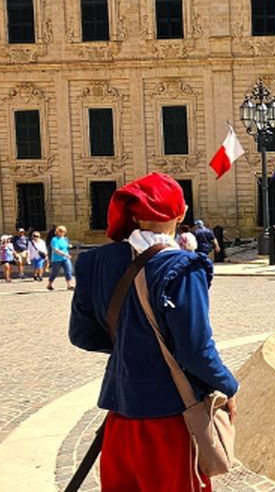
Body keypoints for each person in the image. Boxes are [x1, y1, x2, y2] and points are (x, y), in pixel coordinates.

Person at [69, 172, 238, 491]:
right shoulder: (183, 268)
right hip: (170, 420)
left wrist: (133, 345)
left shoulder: (96, 262)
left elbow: (82, 335)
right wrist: (229, 386)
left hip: (120, 417)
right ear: (181, 213)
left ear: (133, 214)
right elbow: (195, 350)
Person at [47, 225, 74, 291]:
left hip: (65, 258)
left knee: (68, 271)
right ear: (57, 232)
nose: (63, 233)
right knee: (55, 272)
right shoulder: (54, 239)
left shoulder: (65, 239)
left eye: (64, 231)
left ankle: (69, 285)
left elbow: (66, 245)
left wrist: (69, 246)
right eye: (61, 231)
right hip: (57, 259)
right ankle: (50, 284)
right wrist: (65, 254)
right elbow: (56, 250)